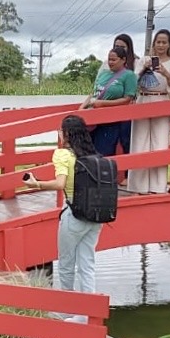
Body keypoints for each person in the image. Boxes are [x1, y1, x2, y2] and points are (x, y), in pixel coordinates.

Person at [23, 114, 105, 298]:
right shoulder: (92, 155)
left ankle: (68, 308)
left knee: (66, 265)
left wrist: (37, 184)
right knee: (87, 264)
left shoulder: (62, 154)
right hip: (95, 215)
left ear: (66, 134)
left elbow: (60, 184)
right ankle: (88, 312)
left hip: (74, 214)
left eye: (60, 130)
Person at [127, 29, 170, 194]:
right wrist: (143, 68)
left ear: (169, 44)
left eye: (164, 42)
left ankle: (158, 186)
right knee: (139, 142)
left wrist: (166, 74)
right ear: (154, 43)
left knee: (160, 143)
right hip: (143, 99)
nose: (161, 45)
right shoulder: (143, 60)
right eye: (158, 42)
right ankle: (138, 185)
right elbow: (132, 81)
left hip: (162, 100)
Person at [83, 45, 136, 157]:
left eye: (114, 59)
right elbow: (94, 93)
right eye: (109, 59)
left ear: (123, 60)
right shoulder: (103, 74)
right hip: (95, 117)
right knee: (90, 151)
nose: (111, 62)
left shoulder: (129, 75)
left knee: (104, 152)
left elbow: (127, 99)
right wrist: (81, 109)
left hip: (112, 120)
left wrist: (103, 104)